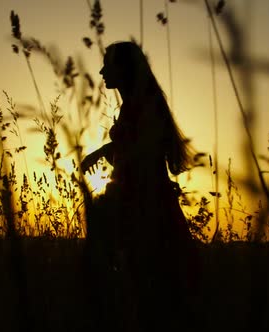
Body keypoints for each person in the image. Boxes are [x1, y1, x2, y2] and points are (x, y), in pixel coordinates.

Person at [81, 41, 199, 331]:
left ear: (125, 68)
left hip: (145, 205)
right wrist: (105, 152)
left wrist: (104, 160)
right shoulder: (136, 104)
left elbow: (143, 153)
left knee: (146, 287)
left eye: (108, 64)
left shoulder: (142, 105)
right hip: (137, 202)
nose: (101, 71)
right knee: (141, 286)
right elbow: (136, 146)